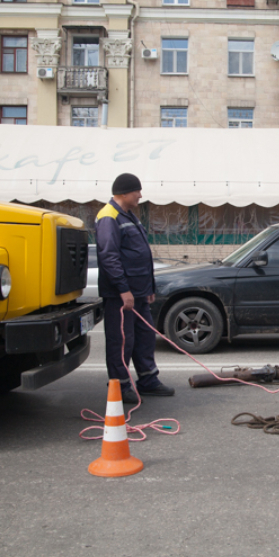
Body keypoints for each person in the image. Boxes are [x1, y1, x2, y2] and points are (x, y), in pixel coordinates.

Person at [96, 173, 174, 404]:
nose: (140, 195)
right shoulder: (109, 217)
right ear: (122, 193)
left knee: (145, 338)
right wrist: (124, 290)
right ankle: (119, 386)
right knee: (122, 340)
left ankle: (148, 380)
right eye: (136, 191)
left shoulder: (129, 215)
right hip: (122, 295)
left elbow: (142, 255)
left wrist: (147, 288)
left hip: (139, 292)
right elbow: (109, 257)